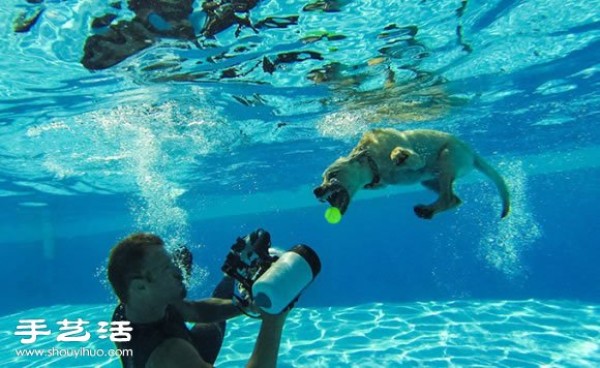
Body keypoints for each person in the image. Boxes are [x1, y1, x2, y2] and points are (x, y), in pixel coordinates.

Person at [107, 230, 288, 368]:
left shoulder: (134, 304)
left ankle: (230, 276)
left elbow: (195, 310)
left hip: (184, 342)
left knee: (211, 316)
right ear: (140, 286)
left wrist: (246, 306)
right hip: (184, 356)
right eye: (167, 269)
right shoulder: (171, 354)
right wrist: (273, 320)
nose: (179, 272)